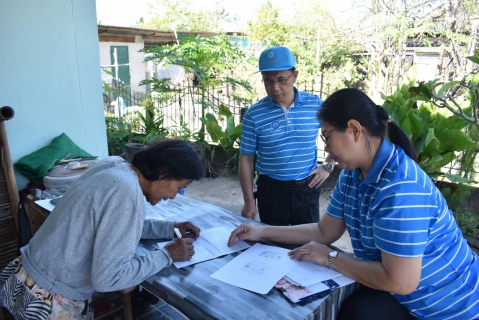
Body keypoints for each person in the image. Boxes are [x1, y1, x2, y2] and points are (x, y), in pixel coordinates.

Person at [229, 88, 479, 319]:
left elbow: (401, 281)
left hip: (447, 305)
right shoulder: (352, 173)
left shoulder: (400, 187)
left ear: (354, 130)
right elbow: (324, 231)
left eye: (327, 137)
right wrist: (260, 230)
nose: (326, 147)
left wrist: (330, 258)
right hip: (405, 294)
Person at [0, 139, 205, 319]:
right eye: (178, 187)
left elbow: (113, 225)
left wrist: (170, 228)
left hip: (24, 276)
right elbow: (108, 279)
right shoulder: (127, 193)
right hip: (48, 300)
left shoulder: (114, 165)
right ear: (163, 173)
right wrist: (167, 255)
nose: (173, 196)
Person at [239, 46, 335, 226]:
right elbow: (246, 159)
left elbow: (337, 135)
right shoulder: (254, 115)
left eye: (282, 80)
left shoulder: (315, 106)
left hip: (307, 188)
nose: (275, 87)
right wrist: (249, 201)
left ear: (295, 76)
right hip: (271, 191)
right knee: (273, 247)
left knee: (307, 244)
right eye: (268, 81)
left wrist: (328, 165)